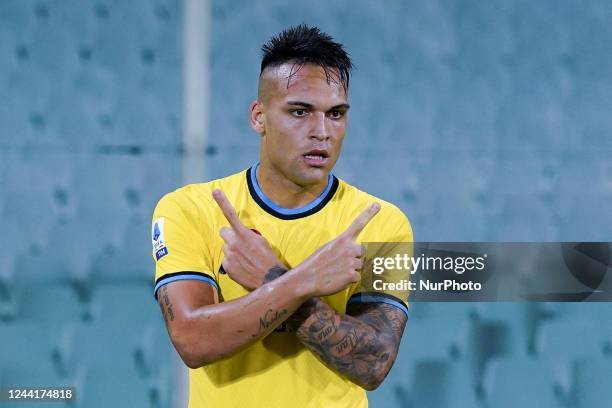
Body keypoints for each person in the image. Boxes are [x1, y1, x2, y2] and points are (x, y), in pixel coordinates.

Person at [151, 24, 413, 408]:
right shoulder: (189, 209)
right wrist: (303, 280)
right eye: (300, 112)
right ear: (259, 117)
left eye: (336, 114)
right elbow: (192, 340)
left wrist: (270, 279)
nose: (321, 132)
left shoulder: (382, 221)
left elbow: (373, 364)